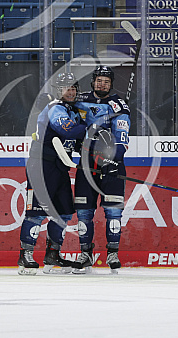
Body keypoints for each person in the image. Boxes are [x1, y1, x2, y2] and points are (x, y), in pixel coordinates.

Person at [18, 72, 86, 275]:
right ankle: (25, 256)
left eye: (73, 88)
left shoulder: (73, 111)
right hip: (41, 166)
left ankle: (53, 254)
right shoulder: (55, 108)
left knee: (64, 211)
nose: (71, 91)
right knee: (36, 213)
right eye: (66, 88)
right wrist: (91, 127)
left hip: (59, 167)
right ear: (58, 90)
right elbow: (67, 131)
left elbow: (76, 140)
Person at [73, 65, 131, 273]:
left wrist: (114, 159)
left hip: (112, 164)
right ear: (93, 81)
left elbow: (122, 135)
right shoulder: (80, 99)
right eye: (99, 80)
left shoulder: (118, 105)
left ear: (111, 84)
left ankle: (112, 253)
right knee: (83, 212)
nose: (102, 84)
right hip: (87, 164)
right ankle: (85, 254)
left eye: (106, 81)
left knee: (113, 211)